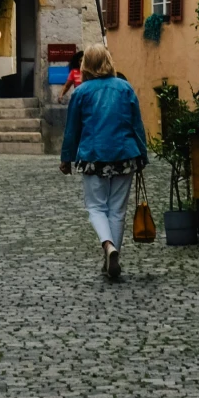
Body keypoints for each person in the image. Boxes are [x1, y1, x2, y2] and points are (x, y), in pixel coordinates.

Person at [58, 45, 147, 282]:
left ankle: (108, 247)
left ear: (86, 64)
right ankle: (111, 256)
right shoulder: (125, 88)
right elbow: (136, 125)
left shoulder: (81, 92)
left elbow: (72, 130)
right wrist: (143, 155)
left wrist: (66, 158)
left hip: (93, 156)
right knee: (117, 210)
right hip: (124, 155)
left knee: (97, 208)